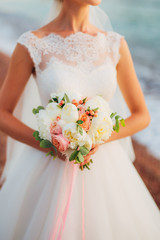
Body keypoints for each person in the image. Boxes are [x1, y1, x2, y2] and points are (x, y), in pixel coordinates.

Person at [0, 0, 160, 239]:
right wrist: (51, 145)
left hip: (105, 167)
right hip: (48, 163)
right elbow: (3, 113)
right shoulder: (33, 43)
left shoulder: (114, 43)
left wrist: (97, 137)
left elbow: (141, 114)